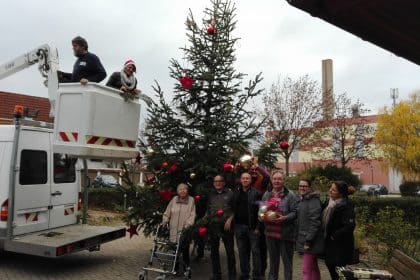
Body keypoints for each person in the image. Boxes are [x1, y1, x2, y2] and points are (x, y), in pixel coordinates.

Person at [261, 170, 298, 280]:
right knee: (273, 261)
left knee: (287, 263)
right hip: (270, 234)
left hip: (285, 234)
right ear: (271, 180)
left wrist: (285, 218)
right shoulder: (267, 194)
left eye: (279, 179)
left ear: (284, 181)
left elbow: (295, 212)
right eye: (275, 179)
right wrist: (262, 215)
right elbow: (262, 210)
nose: (277, 181)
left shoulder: (290, 195)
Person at [322, 181, 356, 280]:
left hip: (340, 246)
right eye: (330, 188)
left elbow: (349, 226)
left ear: (340, 194)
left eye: (333, 190)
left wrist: (334, 235)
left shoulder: (345, 205)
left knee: (338, 272)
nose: (330, 191)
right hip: (331, 245)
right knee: (333, 270)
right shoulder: (331, 203)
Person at [233, 172, 264, 280]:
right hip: (238, 227)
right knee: (242, 252)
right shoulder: (236, 192)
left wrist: (258, 228)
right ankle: (244, 274)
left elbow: (261, 211)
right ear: (240, 180)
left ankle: (257, 275)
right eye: (243, 178)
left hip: (252, 228)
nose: (245, 180)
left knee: (255, 252)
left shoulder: (257, 193)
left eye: (247, 178)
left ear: (251, 180)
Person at [207, 175, 236, 280]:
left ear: (224, 183)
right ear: (213, 183)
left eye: (220, 181)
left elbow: (235, 209)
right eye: (216, 181)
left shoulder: (230, 193)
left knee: (230, 252)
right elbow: (208, 210)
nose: (218, 183)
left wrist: (230, 219)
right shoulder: (210, 194)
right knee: (214, 252)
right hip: (214, 227)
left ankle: (232, 276)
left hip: (227, 227)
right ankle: (216, 275)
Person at [162, 183, 196, 273]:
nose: (182, 191)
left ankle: (186, 269)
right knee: (174, 250)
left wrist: (188, 225)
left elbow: (192, 215)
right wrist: (165, 220)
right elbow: (167, 212)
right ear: (177, 191)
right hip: (173, 229)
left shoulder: (191, 200)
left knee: (185, 251)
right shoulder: (174, 199)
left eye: (184, 189)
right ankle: (175, 269)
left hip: (185, 230)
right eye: (180, 189)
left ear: (187, 191)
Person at [296, 179, 324, 280]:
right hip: (308, 239)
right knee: (313, 267)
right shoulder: (303, 199)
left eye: (304, 186)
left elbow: (315, 222)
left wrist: (308, 240)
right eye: (300, 186)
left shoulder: (313, 201)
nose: (302, 188)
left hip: (311, 241)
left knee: (306, 269)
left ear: (309, 187)